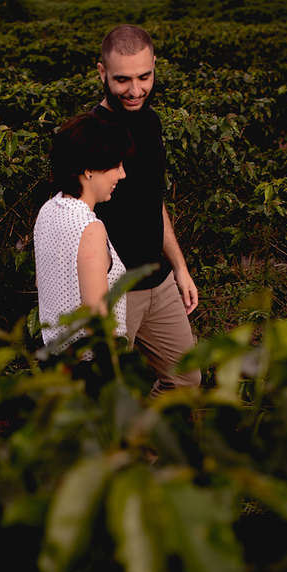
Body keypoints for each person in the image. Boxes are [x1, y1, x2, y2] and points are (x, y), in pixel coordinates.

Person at [93, 24, 201, 395]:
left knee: (185, 380)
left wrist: (180, 268)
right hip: (115, 291)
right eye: (122, 79)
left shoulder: (150, 121)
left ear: (155, 66)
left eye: (144, 76)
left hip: (160, 283)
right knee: (105, 395)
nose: (135, 90)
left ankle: (145, 452)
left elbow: (152, 200)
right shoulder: (90, 136)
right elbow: (72, 221)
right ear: (102, 72)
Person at [34, 113, 132, 354]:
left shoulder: (49, 210)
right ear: (89, 170)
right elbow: (96, 319)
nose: (122, 175)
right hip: (89, 367)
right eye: (116, 166)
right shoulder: (89, 228)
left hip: (56, 358)